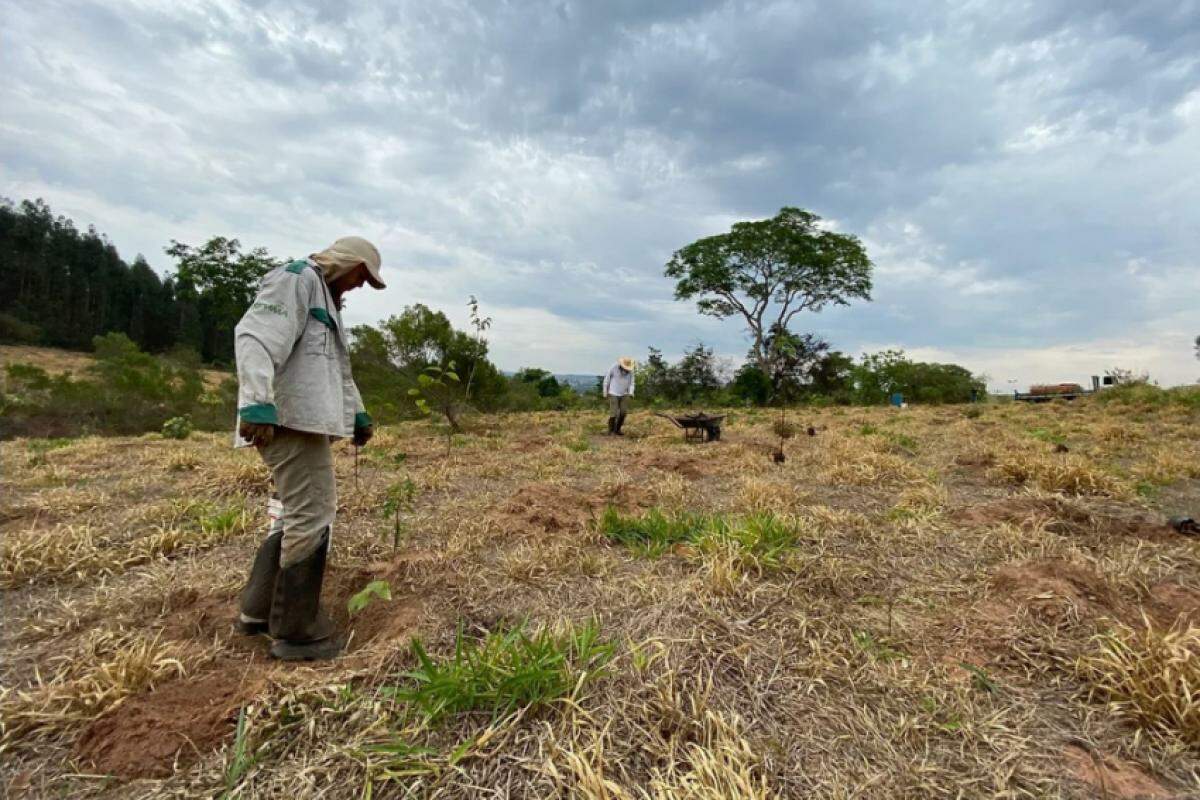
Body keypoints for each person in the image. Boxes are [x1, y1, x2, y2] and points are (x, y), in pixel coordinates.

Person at [233, 236, 385, 660]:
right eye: (361, 276)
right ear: (348, 263)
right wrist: (257, 402)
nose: (358, 286)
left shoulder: (326, 300)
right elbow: (254, 336)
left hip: (305, 422)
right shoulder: (296, 279)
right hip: (287, 422)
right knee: (314, 512)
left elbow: (336, 370)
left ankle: (258, 611)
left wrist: (357, 414)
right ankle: (298, 629)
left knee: (294, 512)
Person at [603, 356, 636, 436]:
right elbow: (607, 379)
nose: (626, 370)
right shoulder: (613, 367)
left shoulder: (631, 371)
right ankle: (610, 430)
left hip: (624, 393)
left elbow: (632, 383)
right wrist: (605, 392)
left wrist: (631, 393)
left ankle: (617, 429)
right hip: (613, 392)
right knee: (613, 413)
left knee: (623, 413)